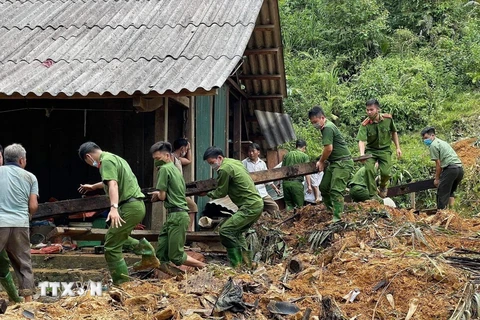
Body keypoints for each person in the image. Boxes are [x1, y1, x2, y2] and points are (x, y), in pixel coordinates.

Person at [77, 142, 159, 285]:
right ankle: (146, 251)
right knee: (115, 237)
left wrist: (113, 208)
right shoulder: (115, 158)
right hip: (135, 206)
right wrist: (93, 186)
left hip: (129, 206)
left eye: (88, 163)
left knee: (111, 247)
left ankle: (122, 285)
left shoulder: (105, 161)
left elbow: (113, 184)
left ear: (88, 157)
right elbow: (109, 182)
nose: (92, 164)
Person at [202, 147, 263, 268]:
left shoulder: (224, 169)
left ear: (219, 158)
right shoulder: (234, 162)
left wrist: (206, 193)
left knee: (225, 231)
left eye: (212, 163)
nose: (212, 166)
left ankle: (237, 265)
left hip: (249, 206)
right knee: (238, 232)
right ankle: (247, 264)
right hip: (256, 203)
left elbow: (221, 193)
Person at [149, 142, 206, 272]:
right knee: (160, 256)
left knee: (176, 256)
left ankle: (204, 267)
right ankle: (178, 278)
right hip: (175, 215)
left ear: (167, 155)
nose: (156, 162)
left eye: (158, 159)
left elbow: (162, 196)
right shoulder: (175, 169)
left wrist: (158, 194)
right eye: (154, 159)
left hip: (177, 216)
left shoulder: (164, 169)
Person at [0, 144, 38, 303]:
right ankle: (28, 302)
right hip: (20, 224)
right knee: (23, 263)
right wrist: (27, 216)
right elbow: (33, 206)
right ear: (22, 160)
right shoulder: (30, 177)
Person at [309, 106, 354, 222]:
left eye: (315, 122)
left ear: (322, 118)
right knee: (323, 187)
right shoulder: (326, 127)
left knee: (336, 190)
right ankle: (331, 210)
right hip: (334, 163)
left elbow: (328, 149)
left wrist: (321, 161)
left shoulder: (328, 128)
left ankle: (337, 217)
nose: (314, 125)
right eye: (312, 123)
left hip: (342, 163)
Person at [357, 99, 402, 198]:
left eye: (371, 110)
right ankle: (372, 195)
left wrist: (398, 148)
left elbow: (394, 132)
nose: (369, 112)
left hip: (385, 149)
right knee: (369, 170)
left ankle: (382, 186)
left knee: (386, 172)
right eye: (367, 110)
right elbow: (361, 140)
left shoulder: (388, 119)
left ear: (377, 109)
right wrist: (362, 154)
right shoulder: (365, 124)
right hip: (371, 151)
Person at [421, 127, 464, 209]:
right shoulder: (442, 142)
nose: (425, 140)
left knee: (442, 193)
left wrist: (437, 179)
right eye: (423, 139)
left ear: (432, 135)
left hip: (450, 169)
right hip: (459, 169)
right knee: (450, 192)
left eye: (426, 138)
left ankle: (441, 215)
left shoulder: (433, 145)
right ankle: (452, 213)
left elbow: (438, 164)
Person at [242, 143, 281, 216]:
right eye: (249, 151)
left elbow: (267, 178)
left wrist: (275, 188)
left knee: (274, 208)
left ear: (258, 152)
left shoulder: (262, 163)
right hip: (250, 193)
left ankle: (277, 223)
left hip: (262, 193)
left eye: (253, 151)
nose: (251, 153)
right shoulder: (244, 163)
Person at [172, 138, 198, 231]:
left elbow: (189, 160)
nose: (186, 151)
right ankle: (188, 231)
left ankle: (188, 230)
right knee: (192, 207)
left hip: (179, 190)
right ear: (182, 148)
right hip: (175, 191)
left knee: (191, 207)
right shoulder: (172, 158)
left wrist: (189, 148)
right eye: (186, 149)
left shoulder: (178, 159)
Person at [282, 139, 312, 210]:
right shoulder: (304, 156)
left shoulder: (287, 155)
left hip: (285, 184)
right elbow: (307, 172)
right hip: (296, 184)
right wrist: (309, 186)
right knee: (299, 207)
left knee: (289, 206)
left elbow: (281, 171)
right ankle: (298, 220)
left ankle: (290, 220)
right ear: (304, 147)